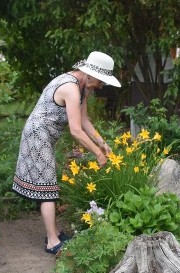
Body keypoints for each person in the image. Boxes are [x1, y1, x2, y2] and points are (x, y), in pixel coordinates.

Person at [11, 51, 121, 254]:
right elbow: (76, 130)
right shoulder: (70, 88)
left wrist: (102, 143)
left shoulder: (82, 87)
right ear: (90, 75)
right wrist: (98, 154)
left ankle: (54, 232)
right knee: (47, 188)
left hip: (44, 136)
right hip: (37, 136)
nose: (101, 86)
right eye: (101, 81)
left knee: (49, 185)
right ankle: (52, 241)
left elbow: (85, 120)